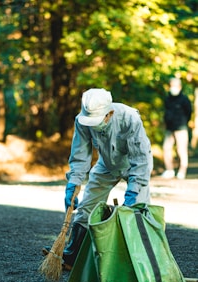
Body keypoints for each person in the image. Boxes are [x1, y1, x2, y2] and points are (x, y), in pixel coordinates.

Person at [43, 88, 153, 269]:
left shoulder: (129, 118)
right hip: (106, 165)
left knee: (136, 211)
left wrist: (134, 191)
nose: (92, 126)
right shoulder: (82, 120)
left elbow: (140, 159)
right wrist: (74, 182)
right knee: (86, 207)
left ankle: (140, 260)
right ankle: (72, 255)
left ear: (109, 113)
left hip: (132, 164)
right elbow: (80, 154)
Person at [161, 78, 192, 179]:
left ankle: (182, 171)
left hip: (181, 128)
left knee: (181, 150)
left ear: (180, 87)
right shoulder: (168, 98)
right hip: (169, 128)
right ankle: (169, 170)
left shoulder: (184, 99)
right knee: (166, 148)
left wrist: (183, 123)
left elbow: (189, 113)